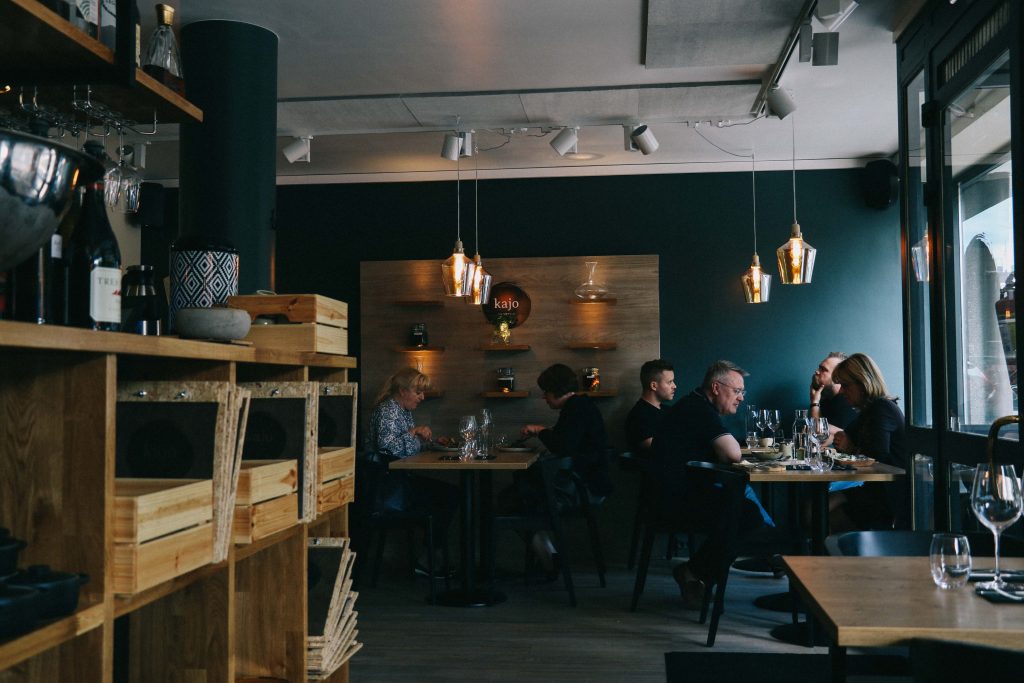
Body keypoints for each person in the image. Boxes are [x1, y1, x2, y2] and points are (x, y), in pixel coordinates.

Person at [651, 360, 775, 609]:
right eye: (737, 390)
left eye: (743, 392)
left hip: (671, 494)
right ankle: (695, 573)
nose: (741, 397)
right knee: (746, 513)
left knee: (743, 510)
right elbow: (731, 455)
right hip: (673, 501)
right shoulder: (697, 410)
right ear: (717, 387)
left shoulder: (694, 404)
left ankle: (695, 573)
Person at [516, 363, 613, 572]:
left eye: (545, 393)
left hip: (582, 489)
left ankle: (549, 556)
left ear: (554, 391)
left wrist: (541, 430)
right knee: (518, 495)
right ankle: (548, 554)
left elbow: (564, 446)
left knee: (514, 499)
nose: (544, 398)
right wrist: (543, 432)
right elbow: (568, 440)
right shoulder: (579, 406)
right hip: (587, 484)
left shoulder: (576, 408)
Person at [366, 367, 459, 575]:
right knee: (449, 496)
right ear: (402, 391)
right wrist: (413, 432)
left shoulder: (402, 411)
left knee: (450, 494)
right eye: (418, 392)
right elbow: (387, 449)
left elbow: (407, 447)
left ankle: (429, 557)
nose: (422, 397)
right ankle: (428, 560)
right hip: (388, 488)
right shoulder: (386, 411)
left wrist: (431, 444)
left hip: (399, 480)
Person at [830, 353, 908, 530]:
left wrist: (849, 447)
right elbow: (847, 437)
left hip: (889, 496)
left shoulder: (882, 408)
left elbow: (877, 456)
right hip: (874, 490)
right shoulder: (869, 411)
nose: (841, 391)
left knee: (819, 514)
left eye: (846, 385)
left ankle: (857, 551)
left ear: (863, 382)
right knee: (814, 509)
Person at [625, 359, 676, 456]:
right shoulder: (639, 416)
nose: (674, 386)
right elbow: (661, 450)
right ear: (653, 386)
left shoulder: (669, 410)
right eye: (670, 382)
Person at [809, 351, 858, 440]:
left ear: (838, 377)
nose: (817, 371)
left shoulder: (847, 402)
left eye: (823, 369)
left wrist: (814, 403)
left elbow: (820, 438)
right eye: (819, 368)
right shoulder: (825, 400)